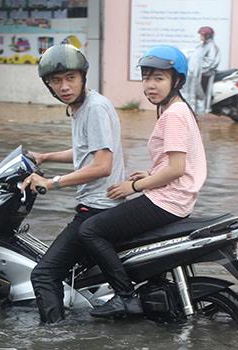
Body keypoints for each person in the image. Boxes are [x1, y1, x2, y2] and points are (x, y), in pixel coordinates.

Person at [79, 45, 207, 318]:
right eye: (146, 78)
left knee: (90, 230)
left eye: (158, 79)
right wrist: (149, 174)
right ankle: (153, 286)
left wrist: (133, 187)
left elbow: (176, 169)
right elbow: (175, 163)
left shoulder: (173, 115)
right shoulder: (176, 109)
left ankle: (125, 296)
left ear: (177, 81)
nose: (150, 86)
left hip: (168, 200)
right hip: (177, 198)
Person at [19, 44, 126, 324]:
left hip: (98, 208)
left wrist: (51, 183)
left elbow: (103, 166)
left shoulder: (95, 108)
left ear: (82, 78)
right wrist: (45, 156)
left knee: (44, 274)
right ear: (48, 85)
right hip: (95, 206)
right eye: (56, 81)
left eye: (70, 78)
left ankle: (53, 337)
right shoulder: (80, 107)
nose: (64, 86)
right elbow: (84, 152)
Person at [182, 26, 220, 114]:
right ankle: (191, 111)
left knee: (200, 95)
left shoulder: (212, 47)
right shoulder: (201, 46)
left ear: (207, 36)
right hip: (194, 74)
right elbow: (195, 57)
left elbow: (211, 62)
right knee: (192, 93)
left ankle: (198, 110)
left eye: (202, 35)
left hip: (204, 75)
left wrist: (198, 68)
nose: (200, 37)